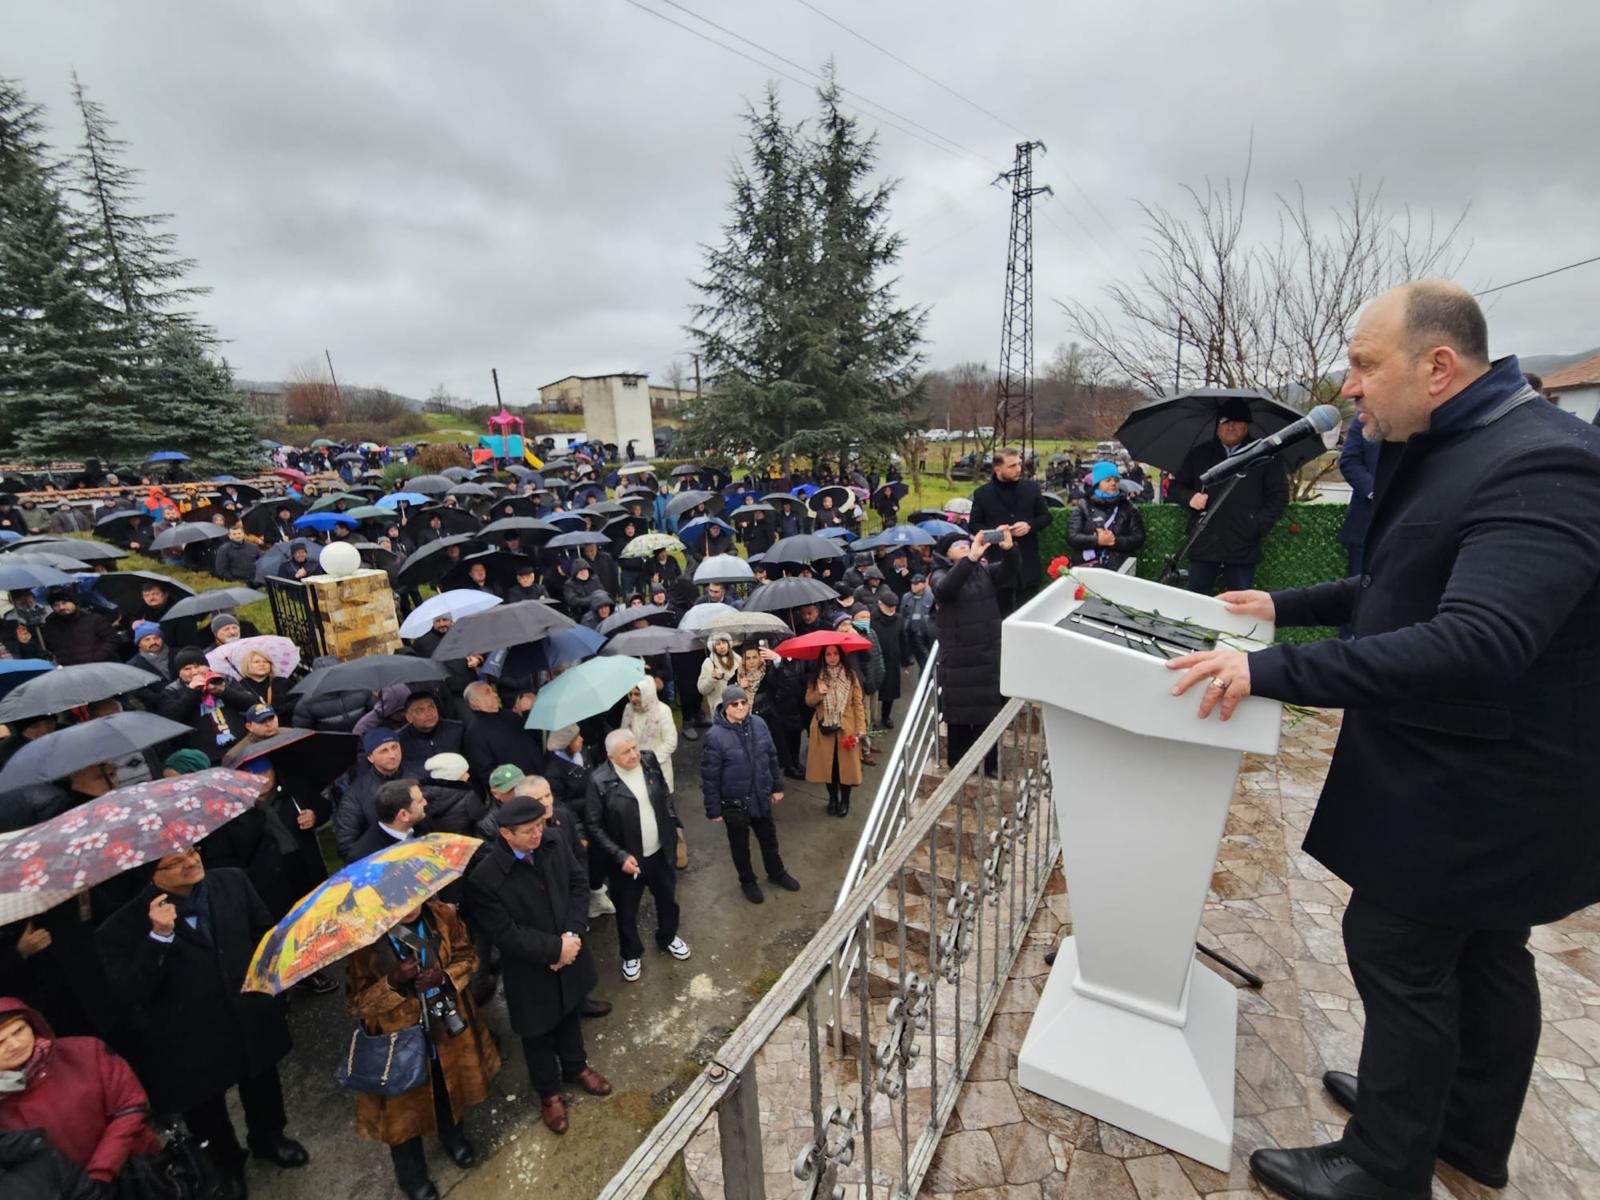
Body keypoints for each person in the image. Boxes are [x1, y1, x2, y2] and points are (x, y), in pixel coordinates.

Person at [1166, 281, 1600, 1200]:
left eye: (1365, 364)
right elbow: (1397, 587)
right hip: (1467, 768)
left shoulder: (1542, 464)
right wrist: (1282, 607)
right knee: (1481, 953)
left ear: (1438, 367)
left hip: (1491, 783)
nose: (1349, 387)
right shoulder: (1457, 445)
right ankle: (1459, 1128)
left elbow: (1480, 638)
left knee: (1398, 944)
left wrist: (1269, 673)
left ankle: (1383, 1163)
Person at [97, 849, 307, 1197]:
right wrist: (158, 937)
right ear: (152, 873)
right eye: (175, 862)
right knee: (206, 1108)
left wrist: (272, 983)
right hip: (189, 1033)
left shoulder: (232, 880)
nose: (190, 862)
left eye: (192, 851)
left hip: (247, 1011)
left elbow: (261, 931)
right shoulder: (123, 924)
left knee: (262, 1080)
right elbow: (129, 991)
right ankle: (226, 1165)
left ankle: (270, 1138)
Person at [465, 796, 612, 1136]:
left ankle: (576, 1067)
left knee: (570, 1012)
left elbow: (577, 884)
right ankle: (549, 1094)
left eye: (539, 826)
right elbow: (505, 935)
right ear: (505, 833)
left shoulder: (553, 840)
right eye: (528, 831)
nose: (537, 834)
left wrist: (573, 937)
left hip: (569, 951)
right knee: (538, 1032)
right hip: (530, 970)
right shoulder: (485, 878)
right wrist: (555, 950)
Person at [344, 899, 500, 1200]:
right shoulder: (365, 941)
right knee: (403, 1112)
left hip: (446, 1027)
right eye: (397, 902)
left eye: (412, 896)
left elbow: (470, 958)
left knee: (447, 1085)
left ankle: (452, 1136)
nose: (409, 907)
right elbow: (357, 1004)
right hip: (398, 1041)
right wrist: (391, 983)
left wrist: (443, 976)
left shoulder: (443, 915)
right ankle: (411, 1176)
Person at [0, 998, 161, 1190]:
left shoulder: (84, 1051)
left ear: (32, 1025)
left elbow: (131, 1107)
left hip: (138, 1172)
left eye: (19, 1030)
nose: (15, 1044)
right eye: (0, 1042)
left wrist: (101, 1172)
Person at [583, 731, 689, 982]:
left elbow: (664, 794)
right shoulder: (599, 781)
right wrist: (620, 857)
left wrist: (672, 825)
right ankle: (631, 953)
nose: (634, 755)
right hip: (627, 862)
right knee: (627, 910)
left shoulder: (649, 760)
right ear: (611, 757)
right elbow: (594, 826)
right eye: (626, 752)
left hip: (659, 852)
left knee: (668, 900)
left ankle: (668, 936)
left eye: (635, 748)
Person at [1167, 396, 1290, 595]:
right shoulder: (1200, 454)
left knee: (1239, 602)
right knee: (1196, 600)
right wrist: (1189, 497)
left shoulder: (1265, 456)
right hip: (1204, 541)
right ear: (1217, 425)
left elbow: (1279, 496)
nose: (1231, 427)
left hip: (1243, 544)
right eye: (1225, 421)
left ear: (1247, 425)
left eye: (1237, 421)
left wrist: (1256, 525)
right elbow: (1175, 487)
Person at [700, 685, 797, 904]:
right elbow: (710, 775)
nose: (741, 707)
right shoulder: (715, 736)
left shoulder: (759, 724)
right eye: (735, 704)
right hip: (734, 804)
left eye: (744, 702)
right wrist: (713, 809)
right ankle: (748, 881)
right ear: (726, 707)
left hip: (761, 797)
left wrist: (777, 787)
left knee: (769, 840)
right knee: (740, 846)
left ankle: (776, 873)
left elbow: (772, 756)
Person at [934, 530, 1009, 776]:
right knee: (959, 715)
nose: (965, 546)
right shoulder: (940, 574)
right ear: (946, 552)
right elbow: (945, 589)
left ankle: (990, 764)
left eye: (966, 543)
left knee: (989, 712)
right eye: (957, 545)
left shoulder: (983, 571)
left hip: (987, 654)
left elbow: (1011, 573)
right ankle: (958, 762)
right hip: (958, 657)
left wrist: (1010, 550)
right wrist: (971, 559)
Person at [967, 446, 1053, 614]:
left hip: (1028, 563)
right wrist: (997, 533)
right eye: (1012, 466)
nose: (1018, 469)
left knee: (1029, 613)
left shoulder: (1031, 488)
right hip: (999, 564)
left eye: (1019, 464)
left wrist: (1029, 525)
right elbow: (974, 525)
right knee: (1002, 615)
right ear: (997, 468)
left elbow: (1046, 517)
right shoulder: (983, 494)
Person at [619, 676, 685, 868]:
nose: (633, 698)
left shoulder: (662, 711)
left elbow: (670, 742)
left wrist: (648, 761)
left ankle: (678, 845)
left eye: (637, 694)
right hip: (633, 769)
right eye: (630, 694)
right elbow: (623, 735)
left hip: (659, 769)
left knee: (667, 810)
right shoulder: (628, 710)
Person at [804, 645, 869, 816]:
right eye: (828, 654)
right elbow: (808, 702)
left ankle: (845, 800)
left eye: (835, 653)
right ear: (823, 656)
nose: (832, 657)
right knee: (829, 768)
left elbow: (858, 703)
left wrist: (861, 727)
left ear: (841, 655)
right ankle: (832, 799)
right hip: (823, 728)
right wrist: (819, 692)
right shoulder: (816, 677)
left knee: (845, 768)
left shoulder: (850, 675)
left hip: (846, 727)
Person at [1067, 462, 1146, 571]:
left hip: (1120, 568)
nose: (1113, 483)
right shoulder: (1083, 506)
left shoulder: (1129, 507)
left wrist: (1114, 541)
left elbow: (1138, 537)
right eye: (1108, 480)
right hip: (1089, 568)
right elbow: (1072, 537)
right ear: (1098, 483)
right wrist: (1097, 540)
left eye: (1116, 480)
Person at [349, 778, 430, 862]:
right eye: (420, 801)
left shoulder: (424, 823)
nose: (425, 803)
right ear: (404, 815)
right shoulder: (365, 857)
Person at [41, 591, 119, 666]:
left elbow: (113, 639)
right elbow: (51, 646)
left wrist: (97, 657)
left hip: (98, 666)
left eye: (64, 603)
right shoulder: (50, 625)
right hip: (70, 669)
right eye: (56, 605)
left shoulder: (93, 618)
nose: (61, 607)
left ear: (73, 603)